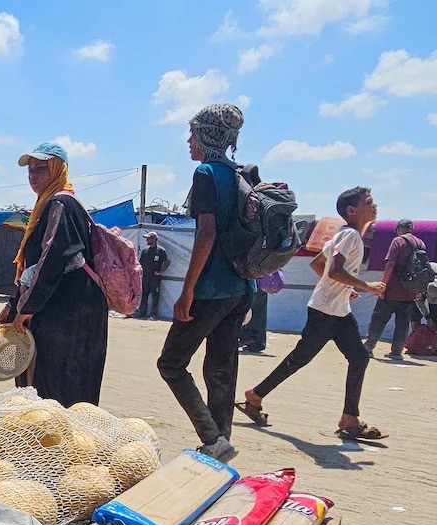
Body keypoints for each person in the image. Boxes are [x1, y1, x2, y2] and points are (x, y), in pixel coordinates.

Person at [238, 187, 386, 441]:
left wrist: (345, 288)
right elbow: (334, 271)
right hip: (325, 311)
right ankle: (255, 395)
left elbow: (318, 263)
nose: (375, 205)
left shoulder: (343, 235)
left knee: (359, 358)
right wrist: (364, 286)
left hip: (337, 310)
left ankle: (350, 418)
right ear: (352, 210)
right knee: (300, 359)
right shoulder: (350, 235)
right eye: (368, 202)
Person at [156, 103, 254, 463]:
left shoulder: (207, 174)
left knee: (171, 363)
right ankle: (220, 442)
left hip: (211, 288)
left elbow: (206, 233)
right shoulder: (240, 174)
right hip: (242, 288)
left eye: (193, 133)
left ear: (206, 136)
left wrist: (187, 290)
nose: (188, 141)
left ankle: (212, 436)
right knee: (221, 368)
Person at [0, 142, 107, 405]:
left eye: (41, 169)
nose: (33, 175)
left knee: (59, 389)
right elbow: (35, 267)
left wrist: (27, 307)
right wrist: (14, 303)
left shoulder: (60, 203)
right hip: (66, 308)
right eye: (30, 170)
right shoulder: (49, 204)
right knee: (60, 385)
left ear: (59, 170)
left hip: (69, 314)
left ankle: (62, 443)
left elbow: (52, 260)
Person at [365, 218, 424, 360]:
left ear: (399, 229)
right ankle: (396, 352)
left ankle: (368, 347)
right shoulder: (421, 244)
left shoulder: (398, 241)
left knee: (379, 319)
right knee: (403, 324)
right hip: (409, 292)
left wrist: (383, 285)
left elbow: (390, 264)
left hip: (392, 290)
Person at [136, 232, 170, 319]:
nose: (147, 240)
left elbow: (167, 261)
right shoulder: (145, 251)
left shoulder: (160, 251)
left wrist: (161, 271)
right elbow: (140, 263)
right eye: (147, 238)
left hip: (155, 278)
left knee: (155, 296)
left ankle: (153, 314)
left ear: (154, 239)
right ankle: (142, 312)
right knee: (144, 295)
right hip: (145, 277)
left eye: (149, 238)